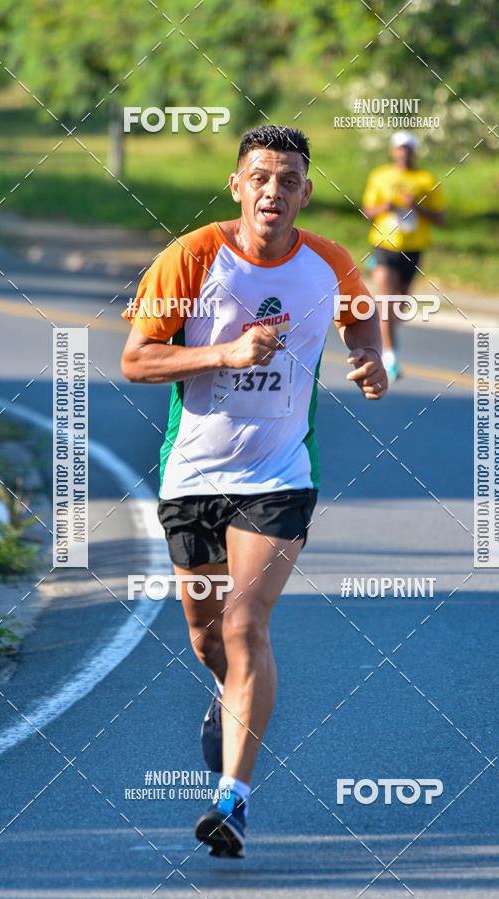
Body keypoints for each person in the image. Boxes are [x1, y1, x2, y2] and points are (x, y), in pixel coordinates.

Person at [120, 124, 387, 858]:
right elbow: (136, 360)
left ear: (306, 190)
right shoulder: (194, 256)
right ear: (238, 186)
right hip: (193, 475)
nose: (274, 190)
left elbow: (363, 325)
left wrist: (370, 362)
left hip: (279, 477)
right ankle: (231, 694)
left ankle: (232, 801)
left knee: (244, 624)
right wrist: (226, 353)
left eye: (289, 178)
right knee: (209, 637)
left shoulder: (329, 262)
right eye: (260, 176)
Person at [361, 130, 446, 381]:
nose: (403, 153)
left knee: (399, 304)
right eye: (399, 148)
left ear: (414, 152)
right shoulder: (380, 176)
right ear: (392, 151)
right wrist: (384, 207)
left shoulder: (426, 180)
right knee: (386, 301)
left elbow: (442, 218)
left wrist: (417, 206)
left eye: (408, 149)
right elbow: (367, 210)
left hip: (414, 248)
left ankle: (388, 337)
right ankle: (389, 355)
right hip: (384, 246)